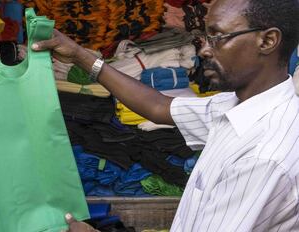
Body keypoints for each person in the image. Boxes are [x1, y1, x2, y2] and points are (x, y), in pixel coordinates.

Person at [32, 0, 299, 231]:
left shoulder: (263, 158)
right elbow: (159, 106)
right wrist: (80, 55)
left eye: (217, 36)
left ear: (267, 40)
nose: (205, 49)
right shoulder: (236, 107)